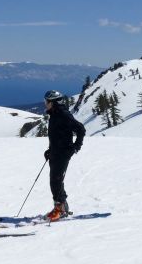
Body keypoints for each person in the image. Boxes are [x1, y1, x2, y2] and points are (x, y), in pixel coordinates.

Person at [43, 90, 86, 221]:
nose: (45, 103)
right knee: (56, 180)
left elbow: (80, 129)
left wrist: (75, 147)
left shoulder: (63, 114)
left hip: (63, 152)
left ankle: (60, 210)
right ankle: (62, 206)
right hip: (56, 152)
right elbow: (57, 135)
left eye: (47, 101)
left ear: (53, 102)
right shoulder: (55, 114)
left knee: (55, 181)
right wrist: (50, 150)